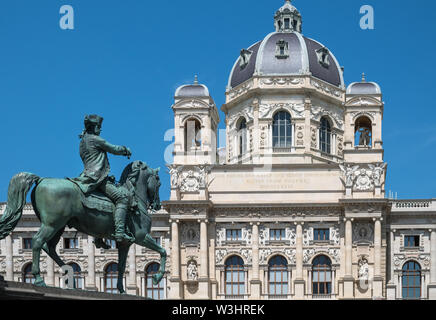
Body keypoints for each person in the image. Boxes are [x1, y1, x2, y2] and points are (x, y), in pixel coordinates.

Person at [72, 114, 134, 243]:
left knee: (102, 204)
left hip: (86, 176)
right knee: (121, 198)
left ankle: (100, 236)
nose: (100, 130)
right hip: (98, 178)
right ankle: (119, 232)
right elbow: (114, 149)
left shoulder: (82, 142)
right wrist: (125, 150)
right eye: (98, 127)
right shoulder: (95, 139)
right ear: (93, 127)